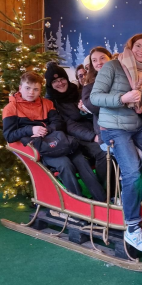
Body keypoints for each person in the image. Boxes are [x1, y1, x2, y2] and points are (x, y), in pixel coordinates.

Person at [90, 34, 142, 252]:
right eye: (138, 46)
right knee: (132, 171)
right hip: (113, 127)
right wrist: (122, 99)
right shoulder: (112, 66)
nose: (141, 51)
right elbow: (95, 97)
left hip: (135, 125)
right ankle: (132, 228)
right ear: (130, 47)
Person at [3, 72, 106, 202]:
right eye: (27, 88)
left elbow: (58, 123)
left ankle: (102, 199)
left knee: (80, 160)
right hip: (42, 148)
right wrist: (30, 129)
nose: (31, 93)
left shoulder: (46, 103)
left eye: (36, 89)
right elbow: (9, 135)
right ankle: (77, 202)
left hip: (59, 141)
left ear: (40, 90)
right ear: (20, 88)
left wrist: (46, 129)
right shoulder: (11, 108)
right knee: (65, 164)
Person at [44, 62, 108, 201]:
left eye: (62, 79)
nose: (60, 83)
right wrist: (93, 137)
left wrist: (87, 112)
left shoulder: (77, 91)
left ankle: (109, 189)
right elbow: (68, 125)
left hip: (94, 129)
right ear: (50, 84)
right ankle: (104, 191)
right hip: (74, 137)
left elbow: (94, 112)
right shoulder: (52, 102)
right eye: (55, 81)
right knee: (103, 153)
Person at [81, 46, 113, 146]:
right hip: (105, 130)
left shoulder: (121, 76)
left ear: (110, 58)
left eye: (102, 58)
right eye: (94, 60)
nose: (99, 62)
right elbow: (93, 106)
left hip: (129, 126)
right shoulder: (89, 85)